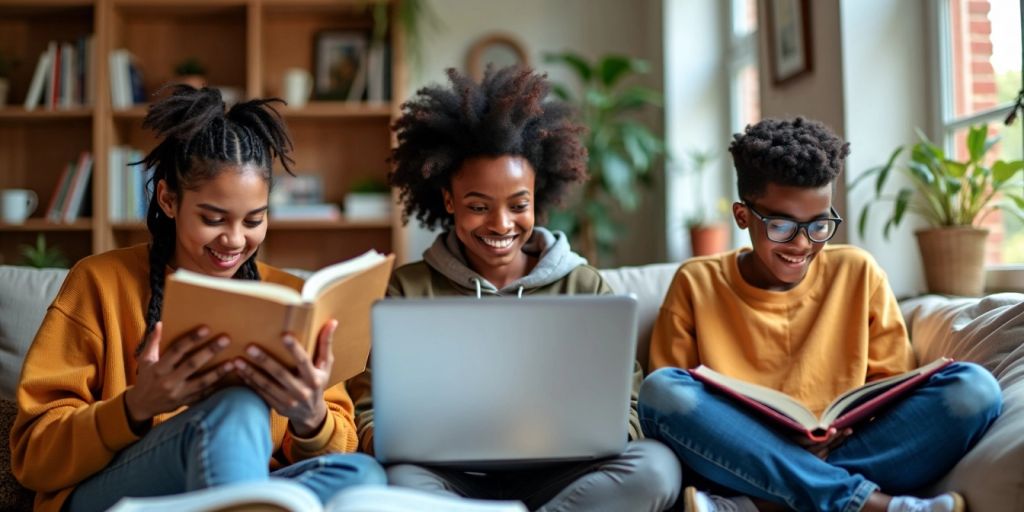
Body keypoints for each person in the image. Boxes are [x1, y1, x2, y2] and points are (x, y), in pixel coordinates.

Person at [9, 86, 384, 512]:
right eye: (213, 218)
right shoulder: (99, 281)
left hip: (251, 481)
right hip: (119, 490)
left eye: (254, 220)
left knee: (362, 476)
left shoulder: (292, 298)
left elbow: (341, 445)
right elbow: (33, 456)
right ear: (169, 199)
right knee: (238, 407)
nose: (235, 239)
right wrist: (135, 407)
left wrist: (310, 418)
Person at [346, 65, 681, 512]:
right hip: (450, 478)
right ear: (448, 201)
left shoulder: (583, 284)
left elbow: (630, 409)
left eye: (518, 205)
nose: (501, 225)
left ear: (537, 197)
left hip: (565, 477)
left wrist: (596, 428)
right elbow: (369, 411)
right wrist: (389, 437)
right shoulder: (407, 289)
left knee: (656, 467)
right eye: (478, 206)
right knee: (394, 478)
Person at [637, 117, 1002, 512]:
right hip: (743, 453)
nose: (802, 244)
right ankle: (868, 505)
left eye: (819, 225)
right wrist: (768, 441)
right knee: (661, 391)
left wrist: (841, 432)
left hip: (845, 445)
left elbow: (893, 387)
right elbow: (678, 411)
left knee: (974, 388)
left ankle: (758, 506)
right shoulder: (697, 281)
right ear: (743, 216)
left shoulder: (857, 271)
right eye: (781, 225)